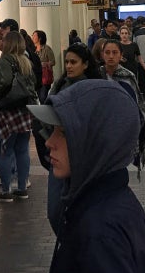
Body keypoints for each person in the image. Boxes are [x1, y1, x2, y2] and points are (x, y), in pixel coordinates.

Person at [29, 80, 145, 273]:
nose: (50, 142)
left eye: (63, 133)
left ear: (96, 140)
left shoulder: (100, 228)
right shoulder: (106, 203)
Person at [43, 42, 102, 234]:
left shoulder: (94, 89)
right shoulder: (60, 85)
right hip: (59, 155)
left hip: (84, 157)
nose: (68, 66)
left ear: (85, 64)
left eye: (73, 62)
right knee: (55, 210)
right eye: (67, 62)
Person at [0, 30, 38, 203]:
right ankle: (22, 188)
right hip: (24, 111)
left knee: (5, 151)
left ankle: (6, 191)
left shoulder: (4, 60)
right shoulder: (26, 61)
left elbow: (4, 82)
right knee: (21, 150)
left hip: (8, 111)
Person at [33, 29, 56, 103]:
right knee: (39, 97)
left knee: (43, 97)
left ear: (39, 38)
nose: (32, 37)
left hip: (44, 77)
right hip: (36, 78)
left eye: (34, 36)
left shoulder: (47, 49)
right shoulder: (33, 50)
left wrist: (45, 64)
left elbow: (53, 61)